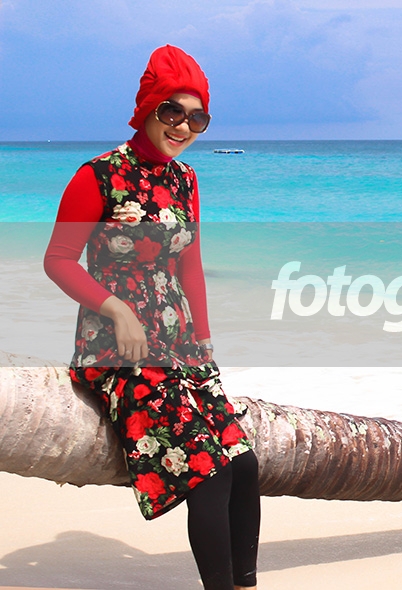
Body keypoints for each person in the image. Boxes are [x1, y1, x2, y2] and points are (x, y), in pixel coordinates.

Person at [44, 45, 260, 590]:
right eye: (171, 111)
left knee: (244, 464)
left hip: (180, 345)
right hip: (118, 350)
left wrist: (204, 341)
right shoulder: (99, 176)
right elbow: (58, 260)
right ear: (146, 109)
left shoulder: (185, 178)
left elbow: (190, 265)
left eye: (197, 118)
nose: (183, 126)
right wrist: (117, 310)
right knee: (209, 473)